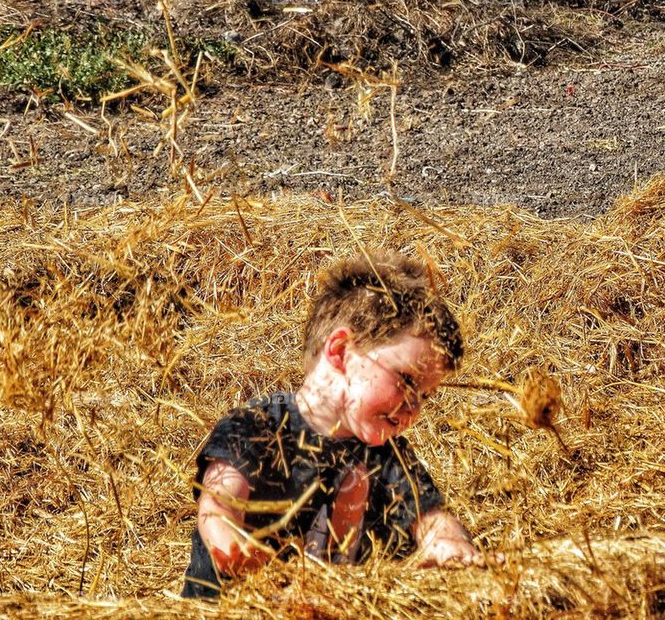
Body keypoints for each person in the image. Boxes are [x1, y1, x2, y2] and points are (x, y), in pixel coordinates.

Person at [182, 251, 482, 599]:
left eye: (425, 396)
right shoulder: (256, 427)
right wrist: (236, 550)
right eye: (405, 380)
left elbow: (431, 519)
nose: (413, 406)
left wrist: (449, 543)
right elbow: (218, 509)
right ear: (340, 351)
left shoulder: (388, 457)